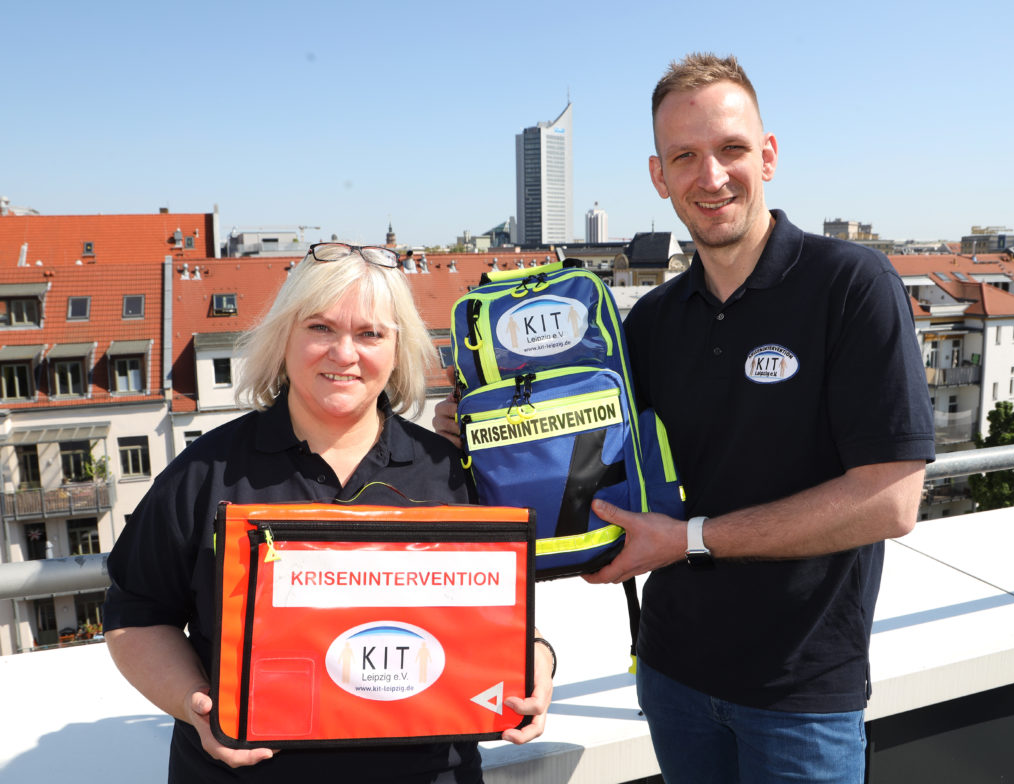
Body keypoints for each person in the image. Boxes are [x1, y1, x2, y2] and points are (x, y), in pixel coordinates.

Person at [434, 53, 934, 783]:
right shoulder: (652, 320)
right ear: (657, 176)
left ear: (767, 155)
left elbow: (891, 501)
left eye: (731, 149)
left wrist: (687, 541)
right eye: (685, 157)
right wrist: (472, 435)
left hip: (801, 692)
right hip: (672, 677)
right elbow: (588, 456)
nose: (711, 176)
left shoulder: (851, 284)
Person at [104, 242, 554, 783]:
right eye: (320, 328)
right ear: (284, 338)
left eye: (370, 334)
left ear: (397, 349)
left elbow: (498, 622)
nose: (344, 354)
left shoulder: (453, 472)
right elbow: (136, 616)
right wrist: (197, 708)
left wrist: (539, 665)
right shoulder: (206, 471)